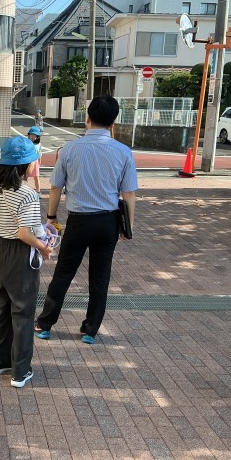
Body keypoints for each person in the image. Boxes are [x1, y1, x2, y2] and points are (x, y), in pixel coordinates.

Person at [34, 95, 138, 345]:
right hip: (108, 222)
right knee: (100, 277)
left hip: (79, 221)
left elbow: (56, 187)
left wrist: (51, 216)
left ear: (87, 118)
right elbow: (129, 194)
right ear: (114, 122)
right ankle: (90, 330)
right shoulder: (124, 152)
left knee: (63, 273)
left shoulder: (69, 149)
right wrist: (128, 227)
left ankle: (45, 324)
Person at [0, 136, 53, 388]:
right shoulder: (27, 193)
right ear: (26, 165)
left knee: (2, 307)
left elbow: (20, 227)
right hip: (21, 253)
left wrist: (39, 232)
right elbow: (25, 234)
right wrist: (44, 247)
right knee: (23, 312)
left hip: (3, 249)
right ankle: (20, 371)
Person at [26, 126, 42, 197]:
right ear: (28, 135)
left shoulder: (39, 144)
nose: (32, 136)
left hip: (35, 162)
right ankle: (22, 190)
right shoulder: (26, 143)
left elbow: (40, 154)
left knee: (36, 177)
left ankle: (38, 191)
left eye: (34, 135)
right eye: (31, 135)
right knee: (24, 176)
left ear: (37, 137)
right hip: (27, 162)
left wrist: (39, 162)